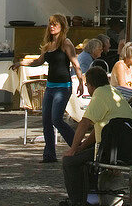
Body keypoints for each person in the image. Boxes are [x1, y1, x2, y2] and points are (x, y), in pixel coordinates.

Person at [60, 66, 132, 206]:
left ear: (91, 85)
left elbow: (85, 123)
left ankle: (77, 201)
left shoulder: (99, 94)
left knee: (70, 161)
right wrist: (82, 147)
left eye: (87, 85)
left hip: (110, 149)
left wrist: (73, 149)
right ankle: (91, 198)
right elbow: (99, 128)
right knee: (83, 155)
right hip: (124, 147)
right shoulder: (113, 92)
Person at [13, 14, 85, 163]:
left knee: (56, 119)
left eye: (55, 24)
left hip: (63, 86)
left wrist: (80, 82)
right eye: (51, 24)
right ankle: (49, 154)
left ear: (62, 27)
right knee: (46, 120)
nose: (52, 27)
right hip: (51, 86)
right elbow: (39, 61)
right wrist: (21, 64)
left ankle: (78, 146)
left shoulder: (66, 43)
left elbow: (76, 64)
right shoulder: (48, 45)